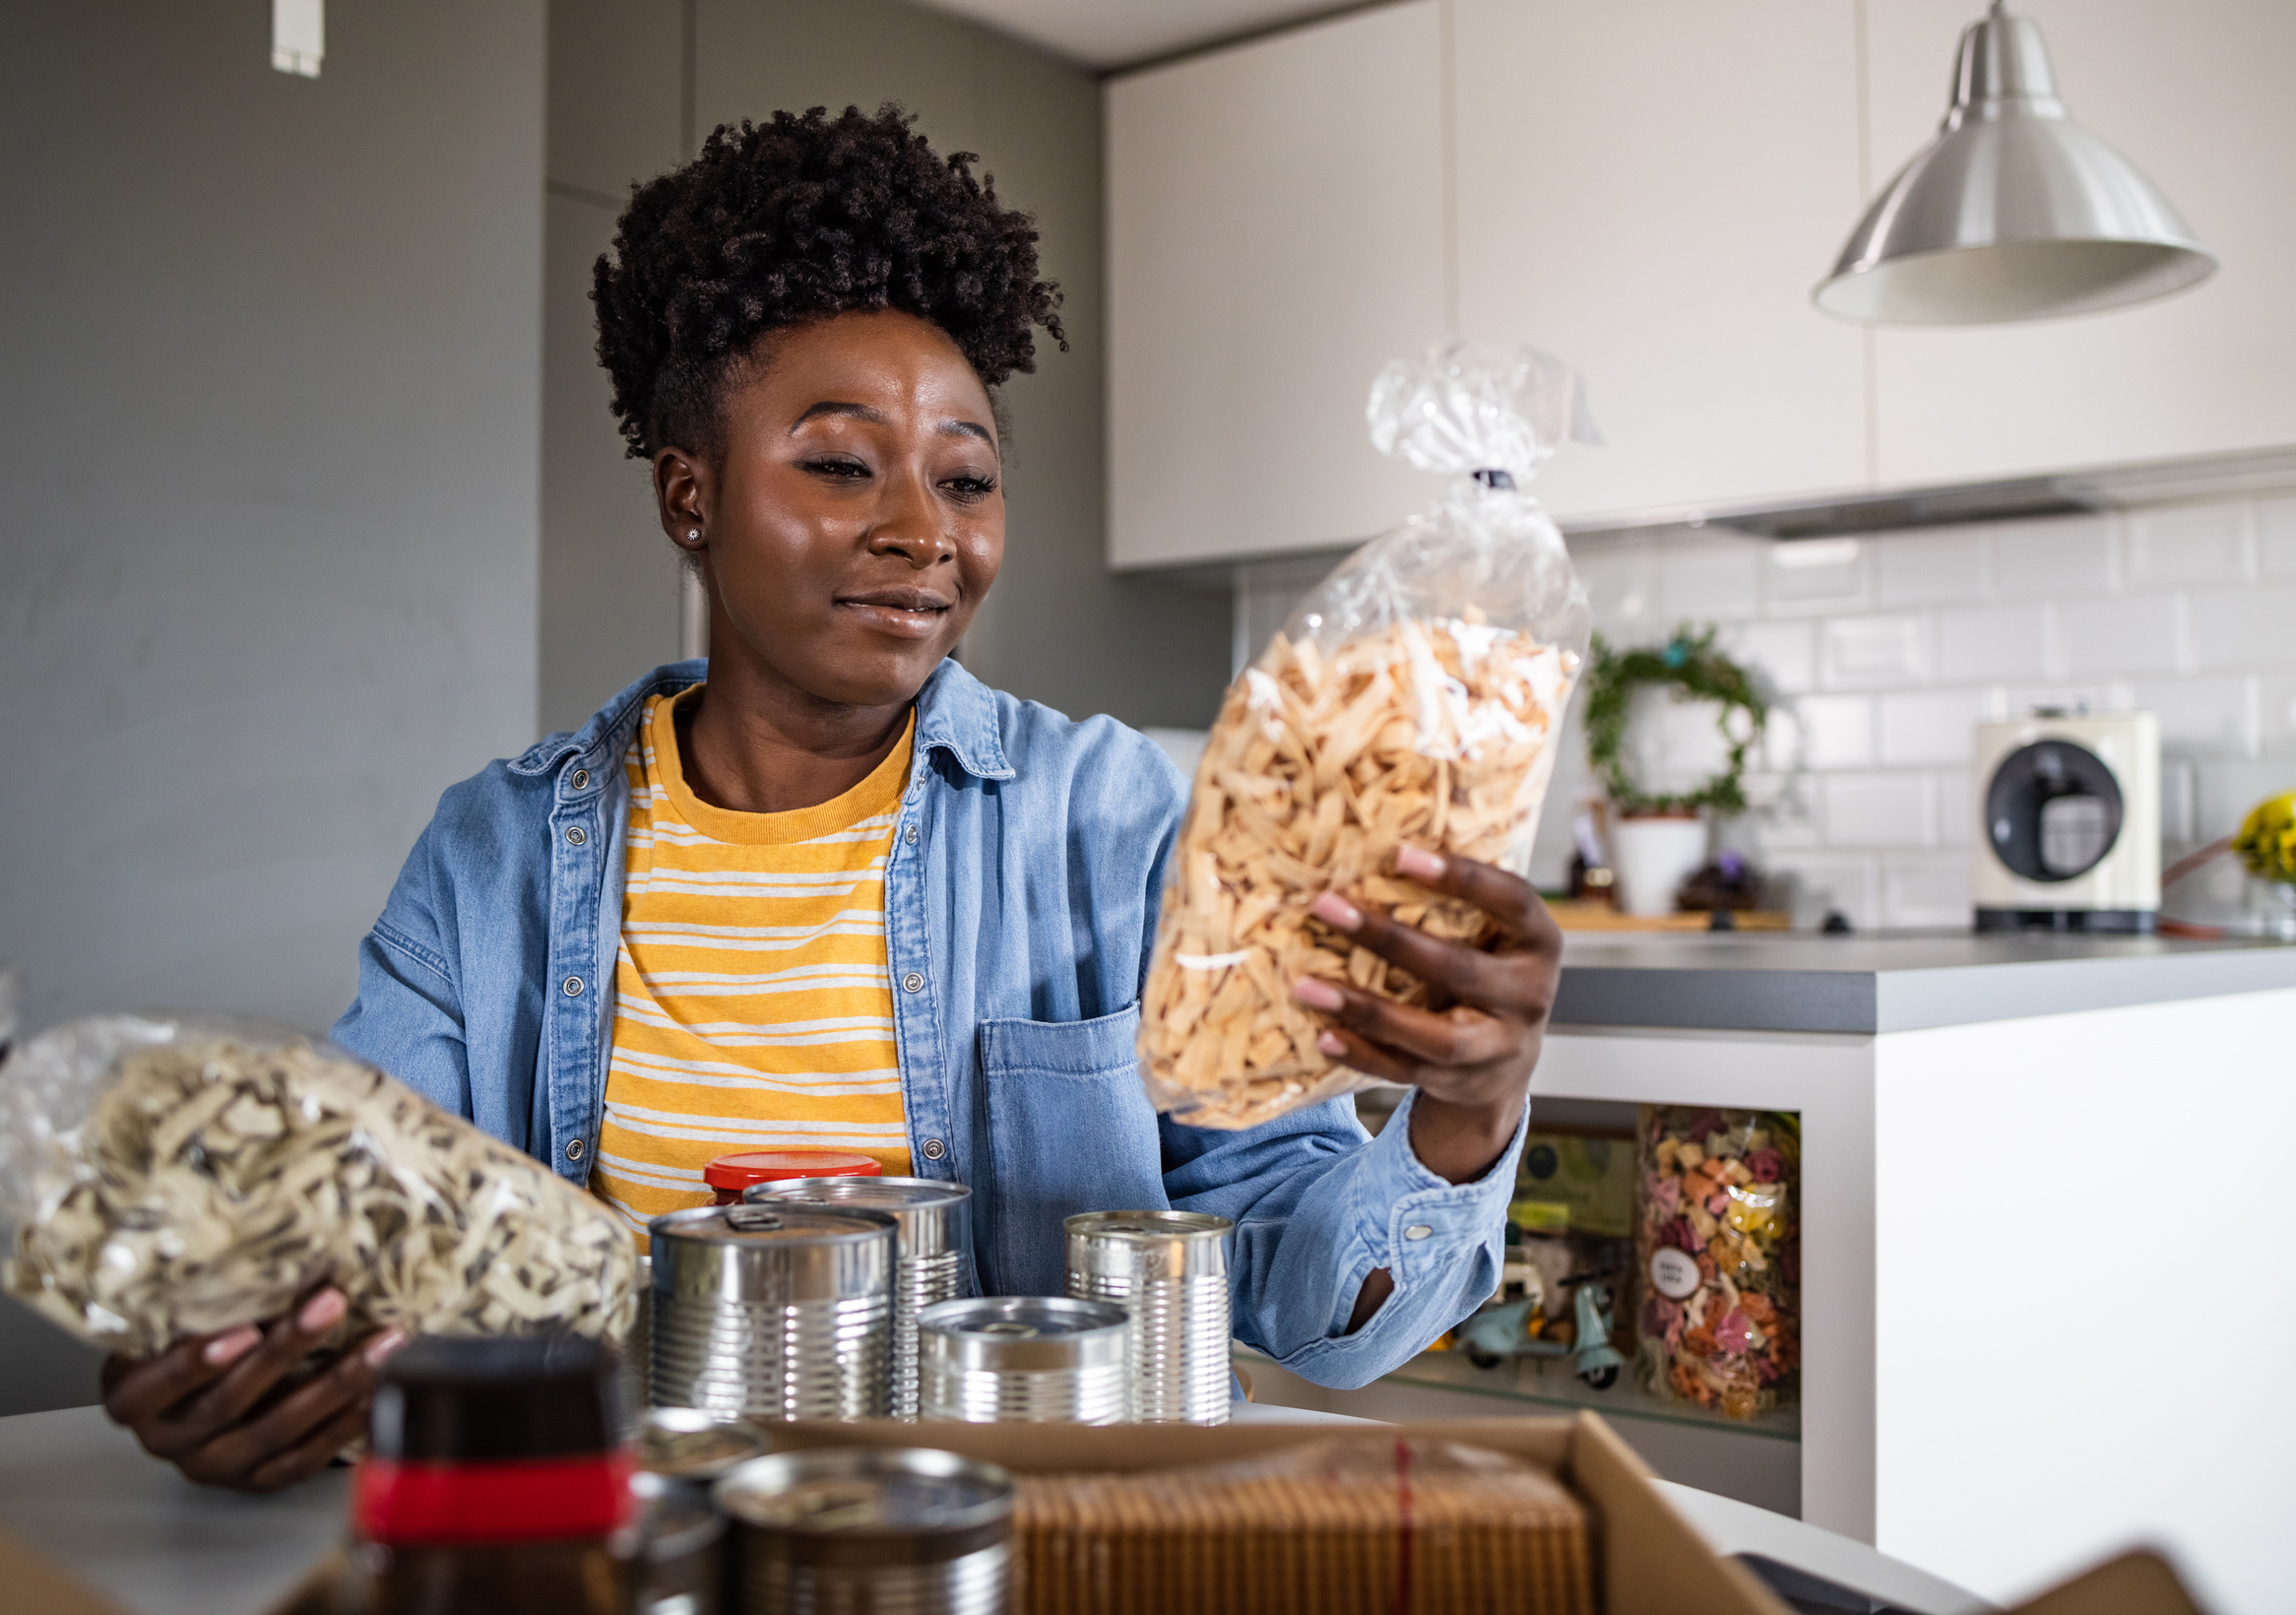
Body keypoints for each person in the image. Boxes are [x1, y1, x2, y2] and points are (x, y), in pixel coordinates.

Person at [100, 104, 1561, 1489]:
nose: (924, 532)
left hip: (1023, 1553)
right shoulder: (494, 858)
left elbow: (1321, 1317)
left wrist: (1461, 1116)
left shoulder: (1104, 819)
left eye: (967, 480)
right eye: (841, 464)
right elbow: (352, 1248)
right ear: (690, 496)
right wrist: (234, 1353)